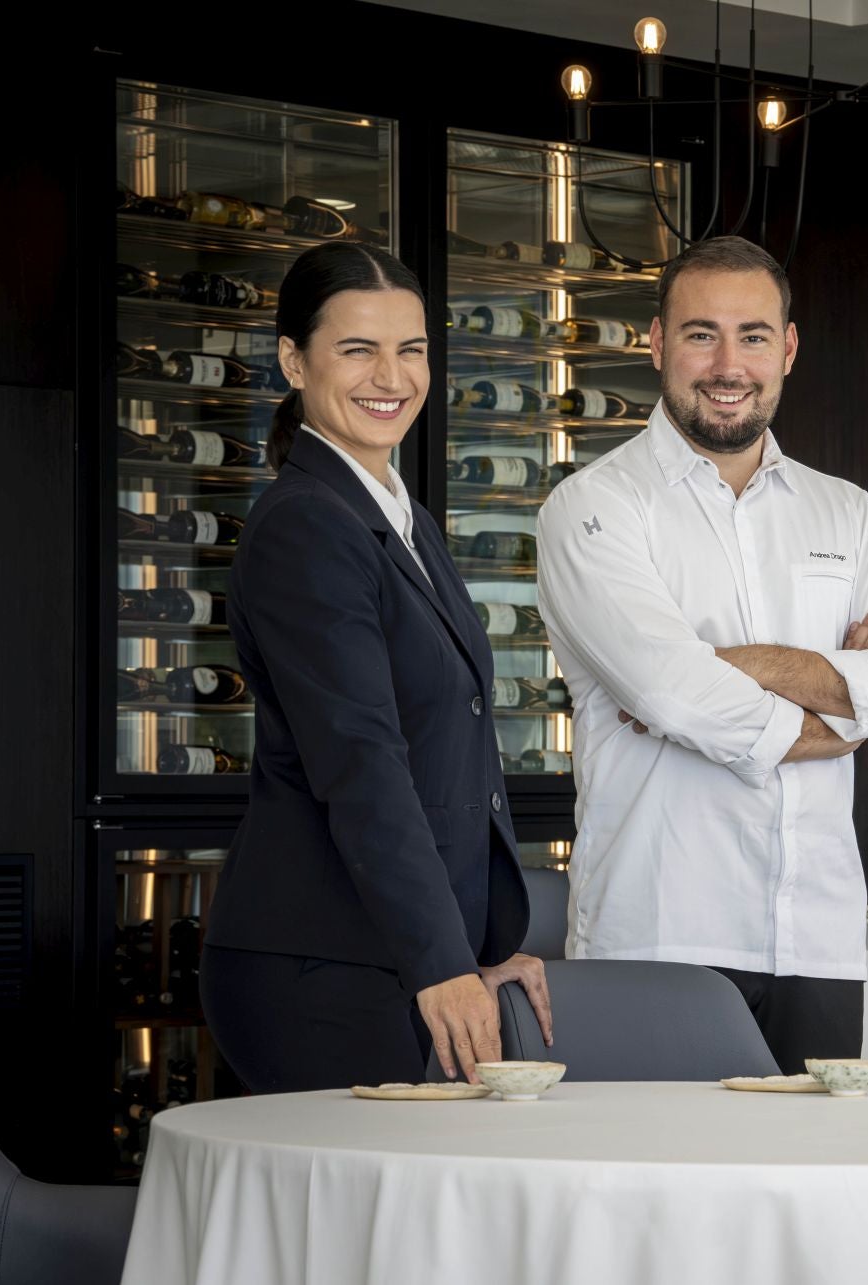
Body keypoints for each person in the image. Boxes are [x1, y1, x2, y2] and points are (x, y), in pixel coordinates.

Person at [535, 236, 868, 1073]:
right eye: (701, 334)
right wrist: (842, 711)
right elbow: (673, 691)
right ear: (656, 343)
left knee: (809, 1200)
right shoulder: (592, 508)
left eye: (754, 336)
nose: (729, 364)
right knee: (661, 1200)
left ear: (789, 349)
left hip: (817, 940)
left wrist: (740, 663)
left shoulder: (848, 514)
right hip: (657, 935)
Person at [201, 242, 550, 1092]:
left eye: (413, 349)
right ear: (294, 360)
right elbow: (363, 760)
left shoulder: (403, 518)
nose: (391, 375)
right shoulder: (306, 526)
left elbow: (446, 742)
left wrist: (481, 949)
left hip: (384, 954)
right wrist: (442, 960)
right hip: (318, 963)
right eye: (358, 349)